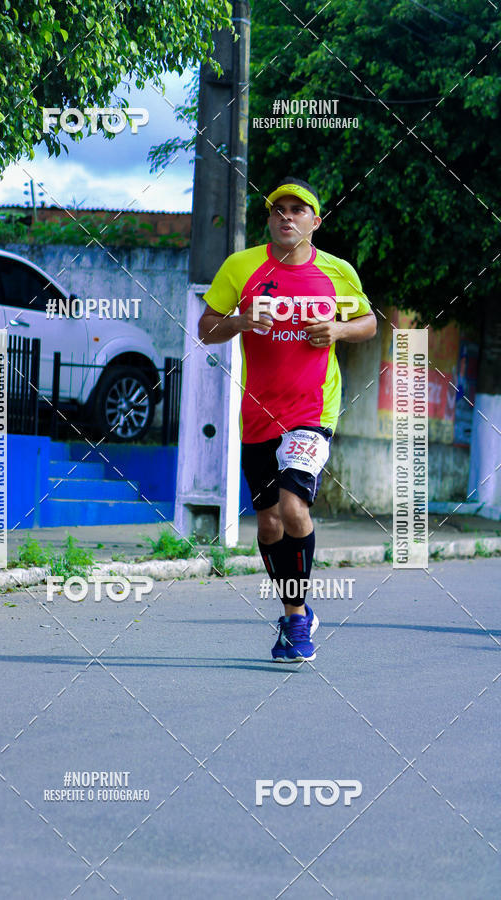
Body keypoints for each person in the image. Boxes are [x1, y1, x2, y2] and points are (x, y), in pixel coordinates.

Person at [198, 176, 377, 662]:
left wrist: (338, 327)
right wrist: (240, 321)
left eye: (298, 210)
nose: (286, 216)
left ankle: (297, 620)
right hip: (258, 415)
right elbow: (206, 329)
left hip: (313, 411)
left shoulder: (337, 272)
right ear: (269, 218)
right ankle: (293, 609)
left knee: (293, 508)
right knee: (269, 525)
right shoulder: (242, 267)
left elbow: (369, 323)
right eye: (279, 208)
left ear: (315, 222)